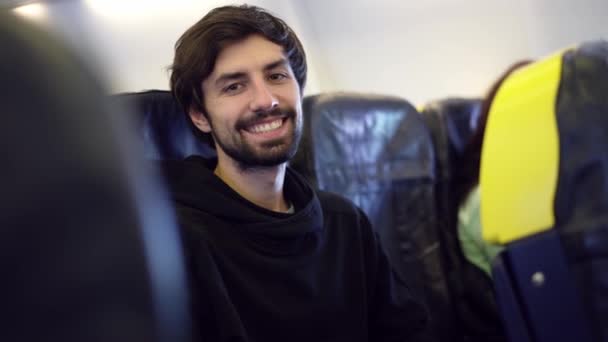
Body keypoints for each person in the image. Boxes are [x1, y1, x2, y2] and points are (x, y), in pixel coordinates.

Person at [166, 4, 432, 342]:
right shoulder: (176, 243)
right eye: (234, 86)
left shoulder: (344, 222)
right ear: (199, 115)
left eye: (276, 76)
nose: (265, 101)